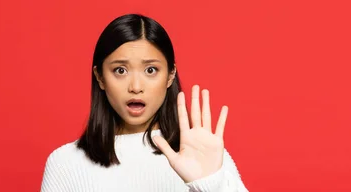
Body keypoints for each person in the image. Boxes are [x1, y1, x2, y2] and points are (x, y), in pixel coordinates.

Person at [40, 13, 248, 192]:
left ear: (170, 75)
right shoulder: (64, 163)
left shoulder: (203, 155)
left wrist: (210, 183)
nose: (136, 87)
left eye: (151, 70)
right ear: (100, 77)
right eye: (120, 70)